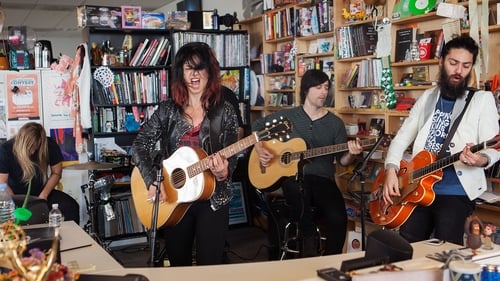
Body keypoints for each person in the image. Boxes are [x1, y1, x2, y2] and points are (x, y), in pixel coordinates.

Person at [382, 35, 500, 245]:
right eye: (453, 63)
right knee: (407, 245)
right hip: (417, 188)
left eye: (465, 65)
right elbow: (401, 138)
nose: (458, 71)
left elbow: (493, 148)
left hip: (456, 190)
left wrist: (480, 159)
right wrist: (391, 170)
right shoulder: (428, 96)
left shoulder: (482, 99)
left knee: (445, 248)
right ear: (441, 61)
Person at [132, 42, 239, 266]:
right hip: (175, 197)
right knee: (178, 264)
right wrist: (152, 180)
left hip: (212, 197)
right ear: (180, 73)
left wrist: (222, 172)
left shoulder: (225, 111)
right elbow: (139, 144)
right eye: (188, 68)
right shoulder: (168, 109)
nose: (194, 74)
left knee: (209, 266)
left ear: (210, 71)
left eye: (199, 67)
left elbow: (233, 157)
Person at [252, 69, 364, 257]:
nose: (323, 92)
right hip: (292, 178)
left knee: (338, 217)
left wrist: (352, 154)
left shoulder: (335, 123)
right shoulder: (288, 117)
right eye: (318, 87)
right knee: (297, 192)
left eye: (326, 88)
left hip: (323, 180)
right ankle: (309, 240)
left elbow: (343, 161)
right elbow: (257, 127)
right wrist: (259, 148)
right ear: (306, 90)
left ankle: (331, 262)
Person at [0, 122, 80, 223]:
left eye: (36, 148)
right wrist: (15, 204)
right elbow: (2, 182)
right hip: (15, 195)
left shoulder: (49, 144)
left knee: (71, 206)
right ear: (21, 142)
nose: (33, 152)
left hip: (42, 192)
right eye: (30, 148)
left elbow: (57, 172)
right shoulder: (6, 150)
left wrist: (43, 196)